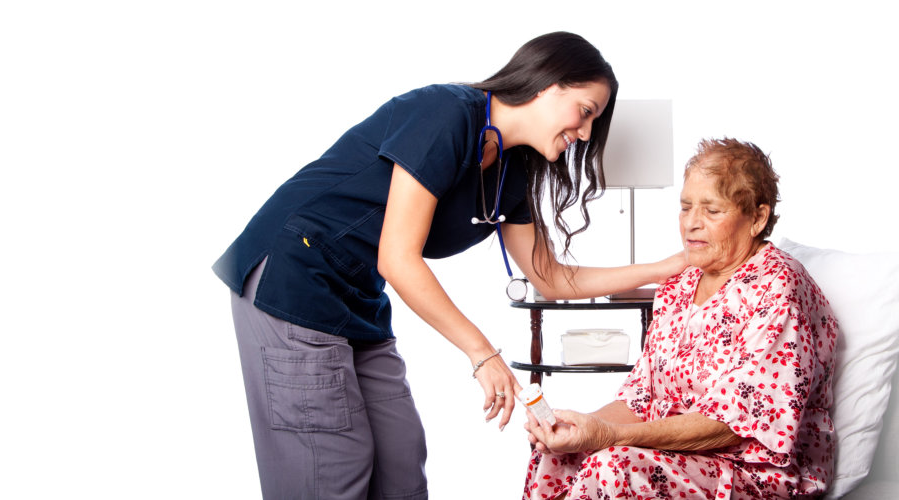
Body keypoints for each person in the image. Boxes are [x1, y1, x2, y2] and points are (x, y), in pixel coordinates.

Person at [212, 32, 686, 500]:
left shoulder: (514, 170)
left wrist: (669, 266)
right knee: (334, 468)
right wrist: (483, 354)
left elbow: (552, 278)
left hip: (357, 296)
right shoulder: (446, 113)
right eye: (585, 112)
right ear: (547, 83)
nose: (584, 134)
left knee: (401, 462)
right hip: (293, 276)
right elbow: (398, 257)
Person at [521, 138, 839, 499]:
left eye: (712, 211)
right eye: (686, 207)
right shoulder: (681, 283)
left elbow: (737, 426)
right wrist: (577, 427)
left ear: (757, 218)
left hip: (752, 471)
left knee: (612, 466)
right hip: (678, 455)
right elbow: (641, 398)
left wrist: (611, 437)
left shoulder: (779, 286)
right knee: (557, 457)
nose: (692, 224)